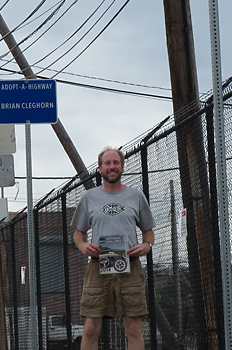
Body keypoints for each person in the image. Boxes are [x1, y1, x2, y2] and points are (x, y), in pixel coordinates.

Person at [71, 146, 155, 350]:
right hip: (98, 266)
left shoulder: (136, 196)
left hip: (130, 265)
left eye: (116, 163)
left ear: (122, 168)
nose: (112, 167)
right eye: (107, 163)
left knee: (133, 327)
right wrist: (82, 245)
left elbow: (149, 232)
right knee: (91, 327)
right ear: (99, 169)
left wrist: (146, 246)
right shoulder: (89, 198)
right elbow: (78, 234)